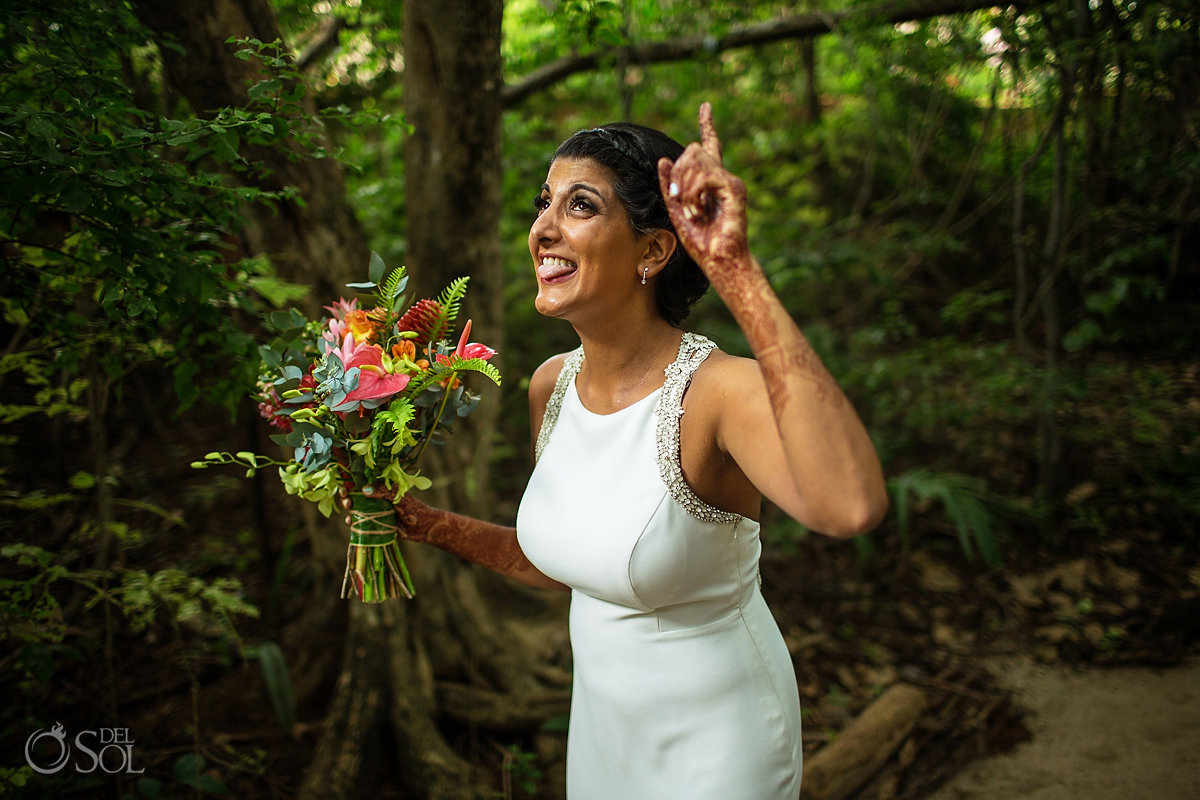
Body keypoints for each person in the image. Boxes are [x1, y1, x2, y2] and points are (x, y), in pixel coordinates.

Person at [390, 103, 887, 799]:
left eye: (580, 205)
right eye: (544, 204)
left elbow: (851, 506)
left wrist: (735, 268)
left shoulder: (716, 394)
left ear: (654, 251)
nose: (543, 229)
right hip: (601, 734)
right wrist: (422, 522)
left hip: (719, 742)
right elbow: (570, 560)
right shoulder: (549, 387)